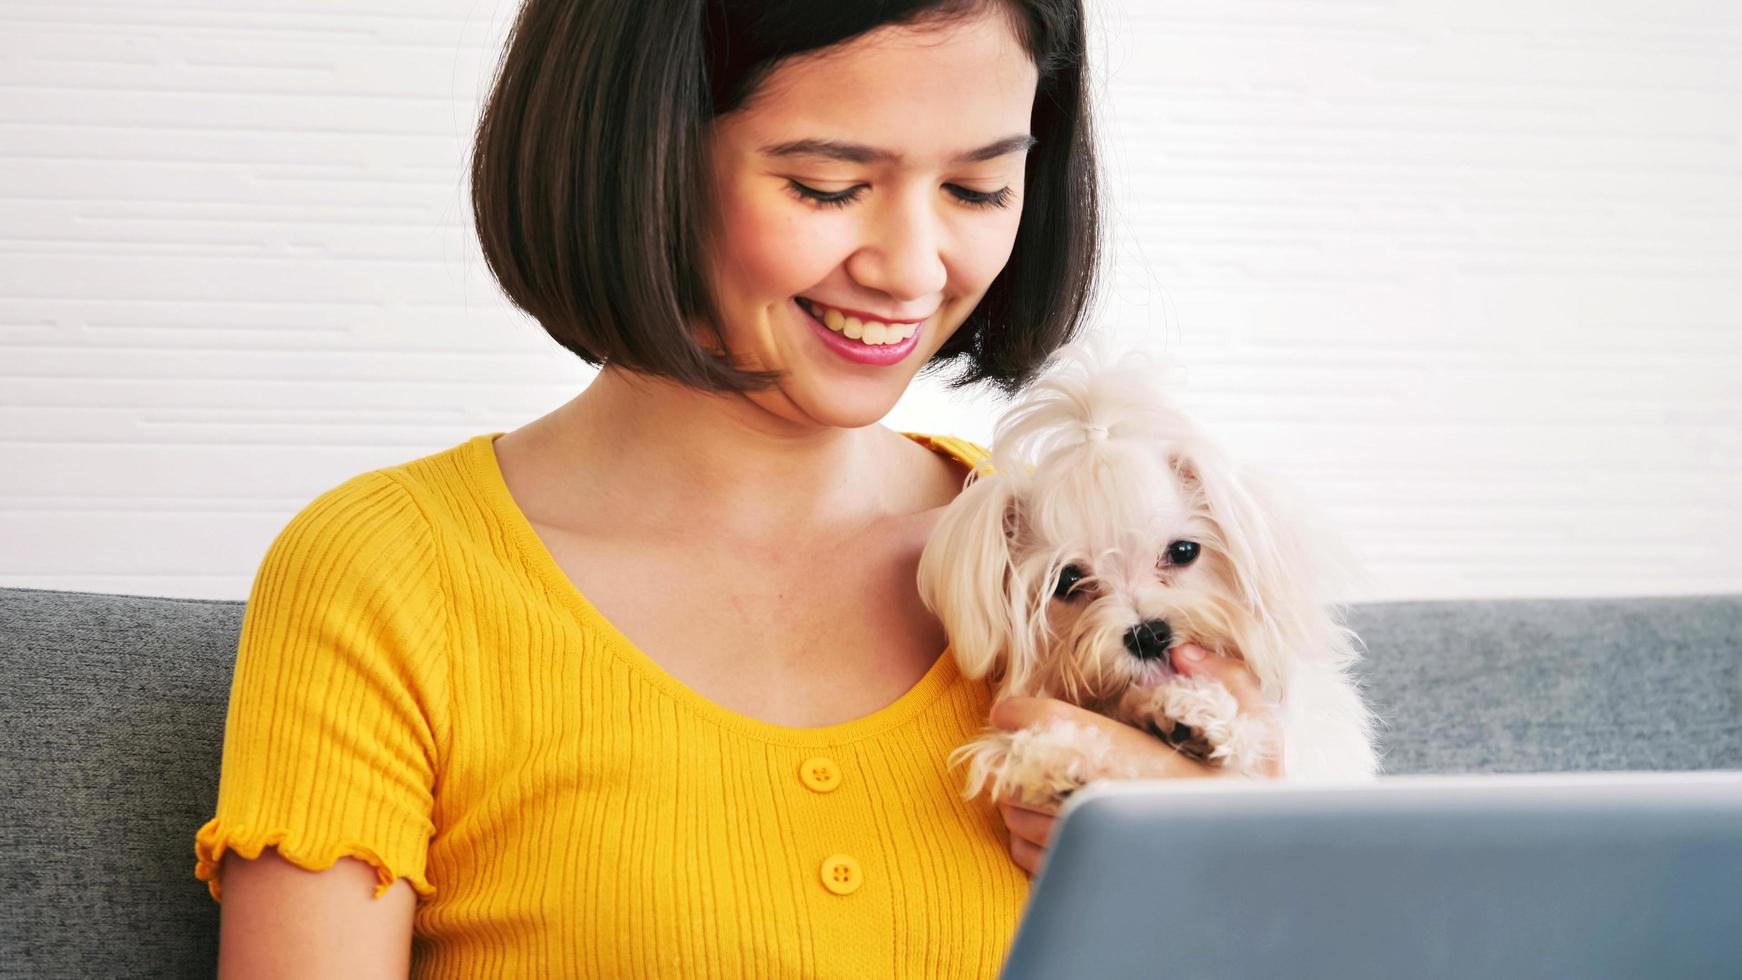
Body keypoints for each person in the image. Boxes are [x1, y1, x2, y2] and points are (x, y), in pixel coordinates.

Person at [191, 0, 1281, 975]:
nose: (912, 268)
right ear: (638, 159)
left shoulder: (1085, 562)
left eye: (977, 187)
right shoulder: (391, 575)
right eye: (827, 186)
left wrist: (1240, 877)